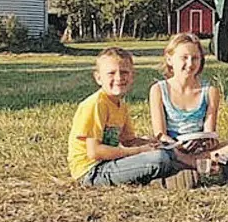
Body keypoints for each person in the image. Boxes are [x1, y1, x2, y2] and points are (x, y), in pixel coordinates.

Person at [67, 47, 190, 187]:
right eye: (111, 73)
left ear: (132, 76)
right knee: (160, 159)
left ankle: (183, 170)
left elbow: (128, 141)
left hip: (109, 164)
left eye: (124, 72)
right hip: (92, 171)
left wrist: (152, 144)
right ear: (99, 78)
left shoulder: (121, 106)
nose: (119, 78)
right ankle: (172, 174)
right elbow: (95, 151)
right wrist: (140, 151)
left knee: (164, 151)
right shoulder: (96, 104)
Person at [150, 33, 228, 167]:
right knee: (154, 148)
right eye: (184, 58)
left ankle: (192, 161)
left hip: (200, 150)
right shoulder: (158, 90)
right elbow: (160, 134)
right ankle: (191, 161)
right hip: (172, 147)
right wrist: (176, 145)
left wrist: (209, 142)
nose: (190, 64)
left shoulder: (209, 91)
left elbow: (209, 131)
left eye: (195, 58)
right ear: (170, 59)